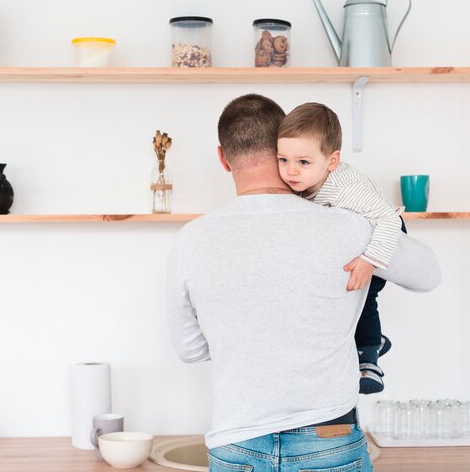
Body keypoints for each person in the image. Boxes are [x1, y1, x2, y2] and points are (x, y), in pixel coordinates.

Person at [167, 93, 440, 472]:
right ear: (281, 145)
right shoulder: (350, 225)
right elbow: (428, 275)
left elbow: (190, 350)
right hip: (330, 436)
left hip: (237, 441)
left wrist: (253, 340)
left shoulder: (192, 239)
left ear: (223, 157)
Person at [277, 102, 403, 395]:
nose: (290, 171)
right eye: (283, 159)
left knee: (365, 293)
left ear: (331, 161)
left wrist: (371, 259)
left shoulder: (346, 187)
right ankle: (372, 342)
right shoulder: (300, 184)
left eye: (303, 162)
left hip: (383, 229)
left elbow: (387, 218)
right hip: (354, 237)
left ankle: (369, 357)